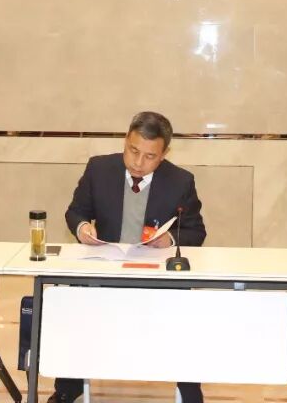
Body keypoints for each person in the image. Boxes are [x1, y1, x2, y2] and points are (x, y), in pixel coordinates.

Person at [50, 111, 206, 403]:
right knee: (72, 302)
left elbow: (196, 230)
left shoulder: (180, 181)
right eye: (133, 151)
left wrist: (170, 240)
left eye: (150, 156)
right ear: (125, 140)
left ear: (164, 154)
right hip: (105, 271)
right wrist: (82, 228)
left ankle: (189, 393)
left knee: (185, 311)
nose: (138, 162)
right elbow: (76, 212)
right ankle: (67, 389)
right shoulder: (99, 169)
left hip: (155, 276)